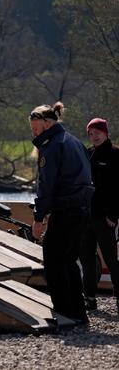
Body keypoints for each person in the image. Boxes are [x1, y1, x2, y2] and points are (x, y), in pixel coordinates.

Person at [29, 102, 93, 324]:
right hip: (82, 209)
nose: (34, 134)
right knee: (70, 260)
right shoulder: (75, 142)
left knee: (54, 260)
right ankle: (78, 311)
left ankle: (64, 311)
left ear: (47, 124)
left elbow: (46, 186)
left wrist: (39, 217)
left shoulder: (52, 146)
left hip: (66, 210)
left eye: (36, 129)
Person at [79, 117, 119, 311]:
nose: (93, 136)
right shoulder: (88, 154)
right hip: (86, 217)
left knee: (111, 259)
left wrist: (114, 215)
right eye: (90, 133)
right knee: (87, 259)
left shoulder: (115, 154)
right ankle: (89, 297)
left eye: (97, 132)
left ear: (105, 133)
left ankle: (118, 295)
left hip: (106, 219)